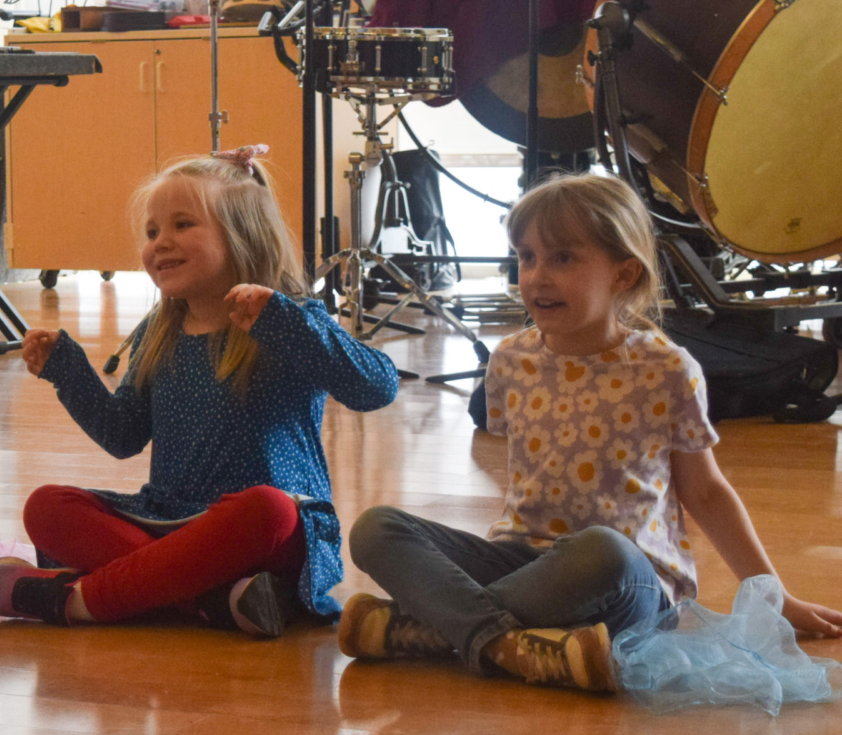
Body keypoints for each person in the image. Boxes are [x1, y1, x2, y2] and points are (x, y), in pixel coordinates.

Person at [341, 172, 842, 692]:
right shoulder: (510, 360)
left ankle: (436, 628)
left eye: (563, 258)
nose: (536, 276)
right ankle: (514, 647)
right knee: (376, 529)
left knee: (601, 551)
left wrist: (774, 596)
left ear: (623, 275)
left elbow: (707, 491)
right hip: (525, 562)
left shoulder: (667, 368)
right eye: (527, 256)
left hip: (625, 580)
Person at [0, 146, 400, 637]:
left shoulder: (288, 317)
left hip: (264, 533)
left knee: (269, 507)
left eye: (182, 225)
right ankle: (214, 599)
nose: (160, 243)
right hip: (169, 520)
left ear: (243, 237)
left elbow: (378, 387)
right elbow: (123, 435)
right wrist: (68, 372)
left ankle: (80, 600)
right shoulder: (160, 329)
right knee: (47, 506)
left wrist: (286, 322)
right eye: (152, 232)